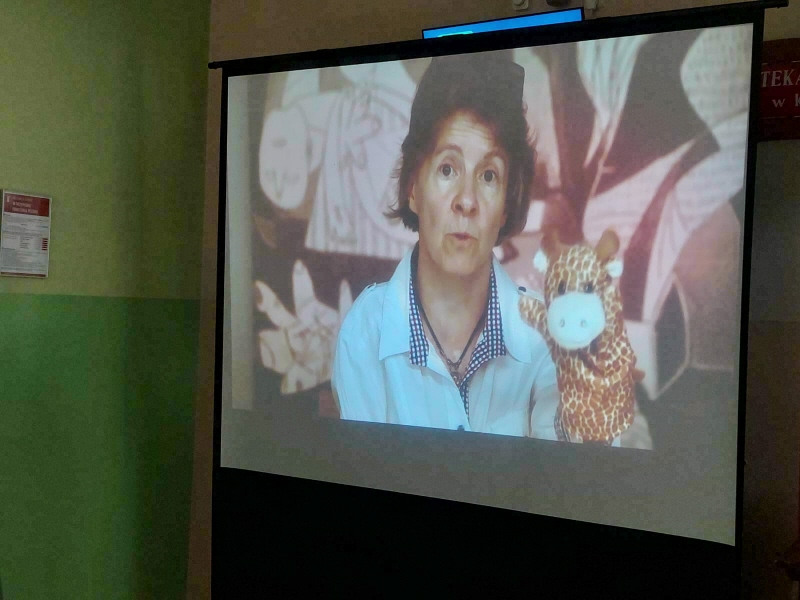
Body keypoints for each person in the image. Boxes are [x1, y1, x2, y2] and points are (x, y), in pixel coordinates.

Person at [331, 53, 560, 438]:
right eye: (448, 169)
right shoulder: (366, 330)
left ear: (506, 206)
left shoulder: (546, 336)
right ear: (413, 189)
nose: (466, 200)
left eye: (489, 176)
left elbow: (563, 471)